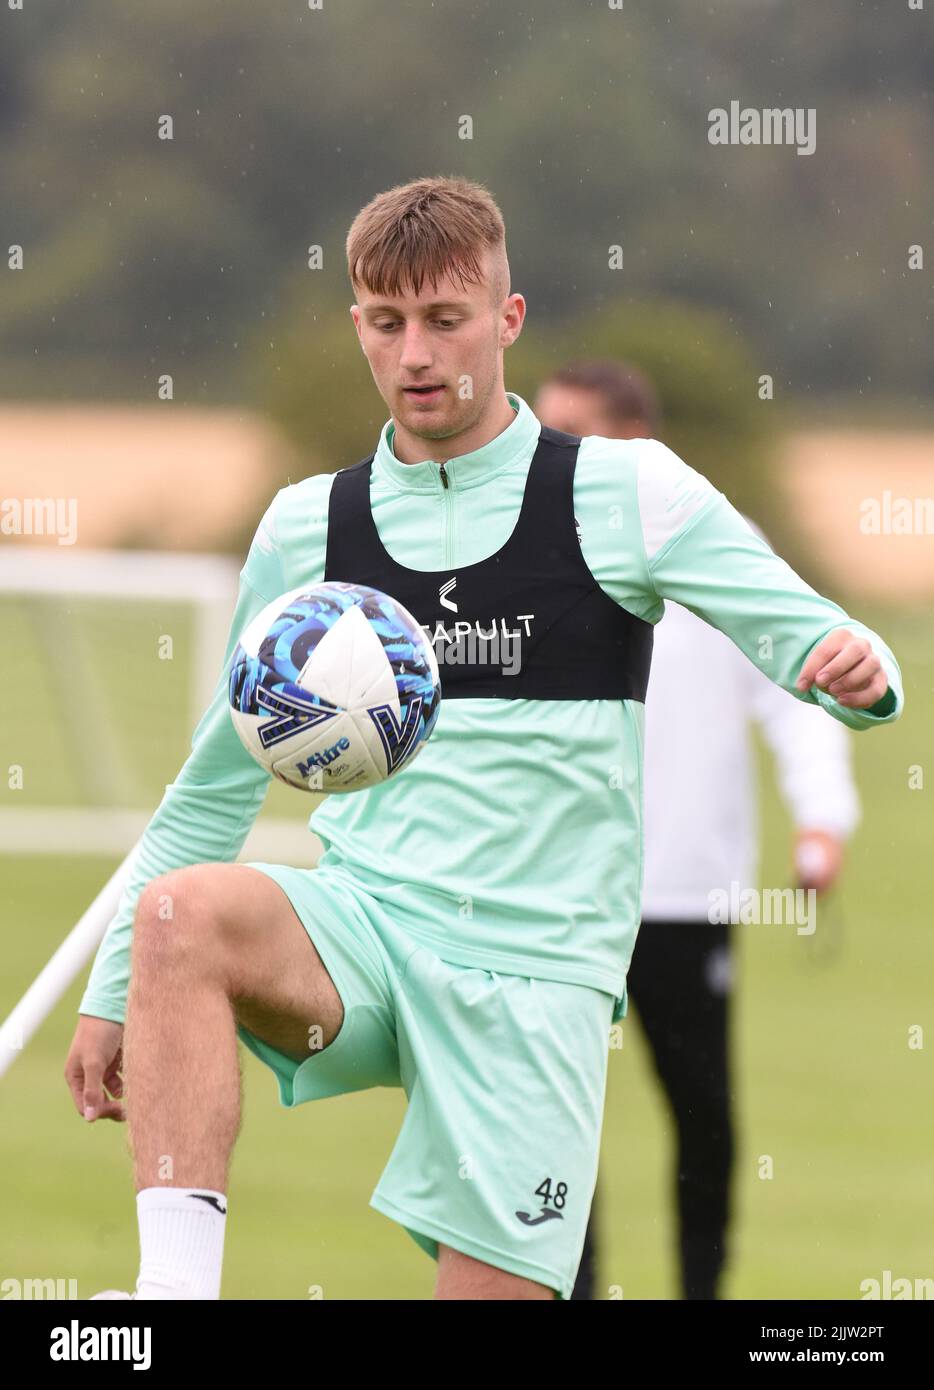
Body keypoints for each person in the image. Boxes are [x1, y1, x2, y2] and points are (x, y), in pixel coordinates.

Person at [65, 175, 902, 1302]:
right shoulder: (307, 526)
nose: (414, 354)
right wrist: (115, 989)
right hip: (366, 931)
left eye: (444, 319)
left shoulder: (628, 492)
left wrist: (860, 675)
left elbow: (823, 643)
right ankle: (170, 1300)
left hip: (537, 974)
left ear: (506, 320)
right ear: (358, 324)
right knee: (180, 913)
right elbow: (212, 787)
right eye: (385, 321)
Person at [536, 361, 860, 1300]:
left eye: (572, 434)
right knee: (553, 1124)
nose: (551, 454)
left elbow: (798, 692)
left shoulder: (720, 546)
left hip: (687, 893)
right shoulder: (528, 552)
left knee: (704, 1118)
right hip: (556, 899)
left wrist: (823, 820)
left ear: (638, 443)